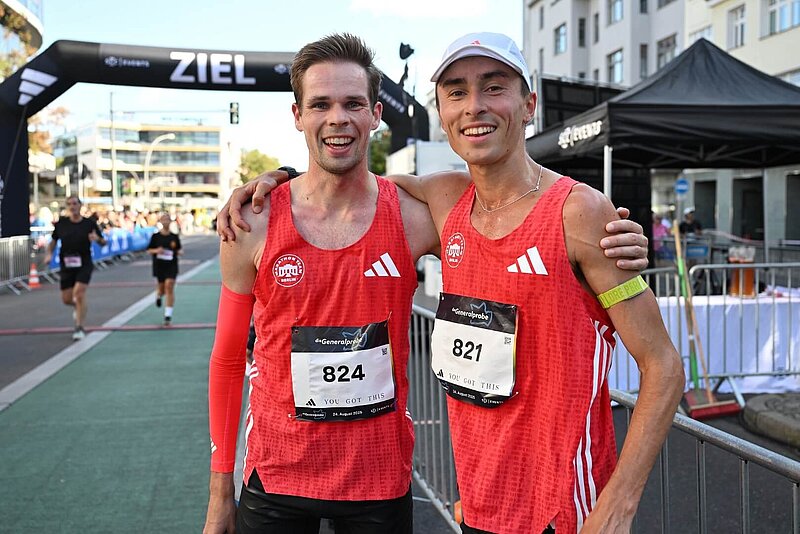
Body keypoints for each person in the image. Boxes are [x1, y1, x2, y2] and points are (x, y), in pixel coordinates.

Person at [207, 33, 650, 534]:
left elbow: (518, 218)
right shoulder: (255, 223)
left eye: (352, 104)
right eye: (321, 105)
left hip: (383, 480)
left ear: (376, 113)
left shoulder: (418, 215)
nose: (337, 118)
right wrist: (220, 497)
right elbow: (225, 360)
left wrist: (611, 240)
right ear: (297, 115)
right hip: (278, 474)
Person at [44, 195, 107, 341]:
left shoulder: (89, 224)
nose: (72, 206)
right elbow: (53, 242)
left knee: (79, 293)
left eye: (75, 203)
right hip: (66, 263)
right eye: (69, 204)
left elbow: (104, 242)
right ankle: (79, 308)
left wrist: (97, 239)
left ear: (80, 205)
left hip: (84, 262)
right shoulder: (61, 224)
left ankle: (79, 327)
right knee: (67, 299)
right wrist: (48, 254)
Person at [146, 213, 182, 326]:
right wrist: (157, 251)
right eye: (163, 220)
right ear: (160, 222)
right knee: (162, 289)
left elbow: (179, 250)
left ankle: (168, 315)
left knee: (169, 286)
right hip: (159, 265)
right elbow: (149, 250)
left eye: (168, 220)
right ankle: (158, 295)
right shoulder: (155, 236)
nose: (166, 222)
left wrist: (178, 252)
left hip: (171, 265)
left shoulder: (174, 236)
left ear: (171, 222)